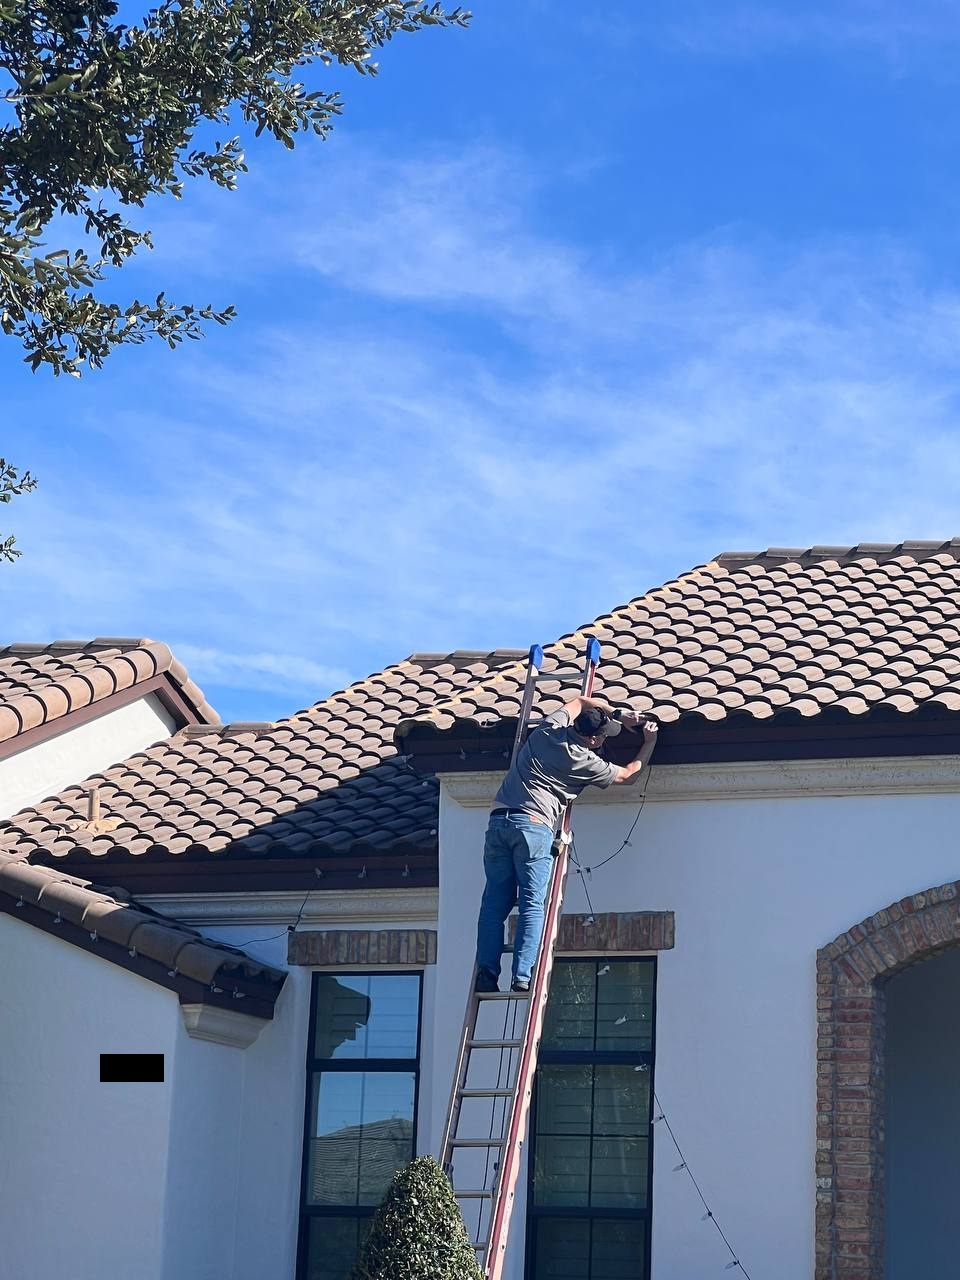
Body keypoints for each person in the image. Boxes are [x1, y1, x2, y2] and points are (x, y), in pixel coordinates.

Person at [474, 695, 659, 993]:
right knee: (532, 905)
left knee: (493, 907)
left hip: (497, 823)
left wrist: (618, 712)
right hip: (533, 827)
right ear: (595, 739)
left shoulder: (547, 730)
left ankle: (486, 973)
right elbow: (628, 775)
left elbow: (579, 700)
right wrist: (648, 741)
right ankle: (522, 975)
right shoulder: (585, 761)